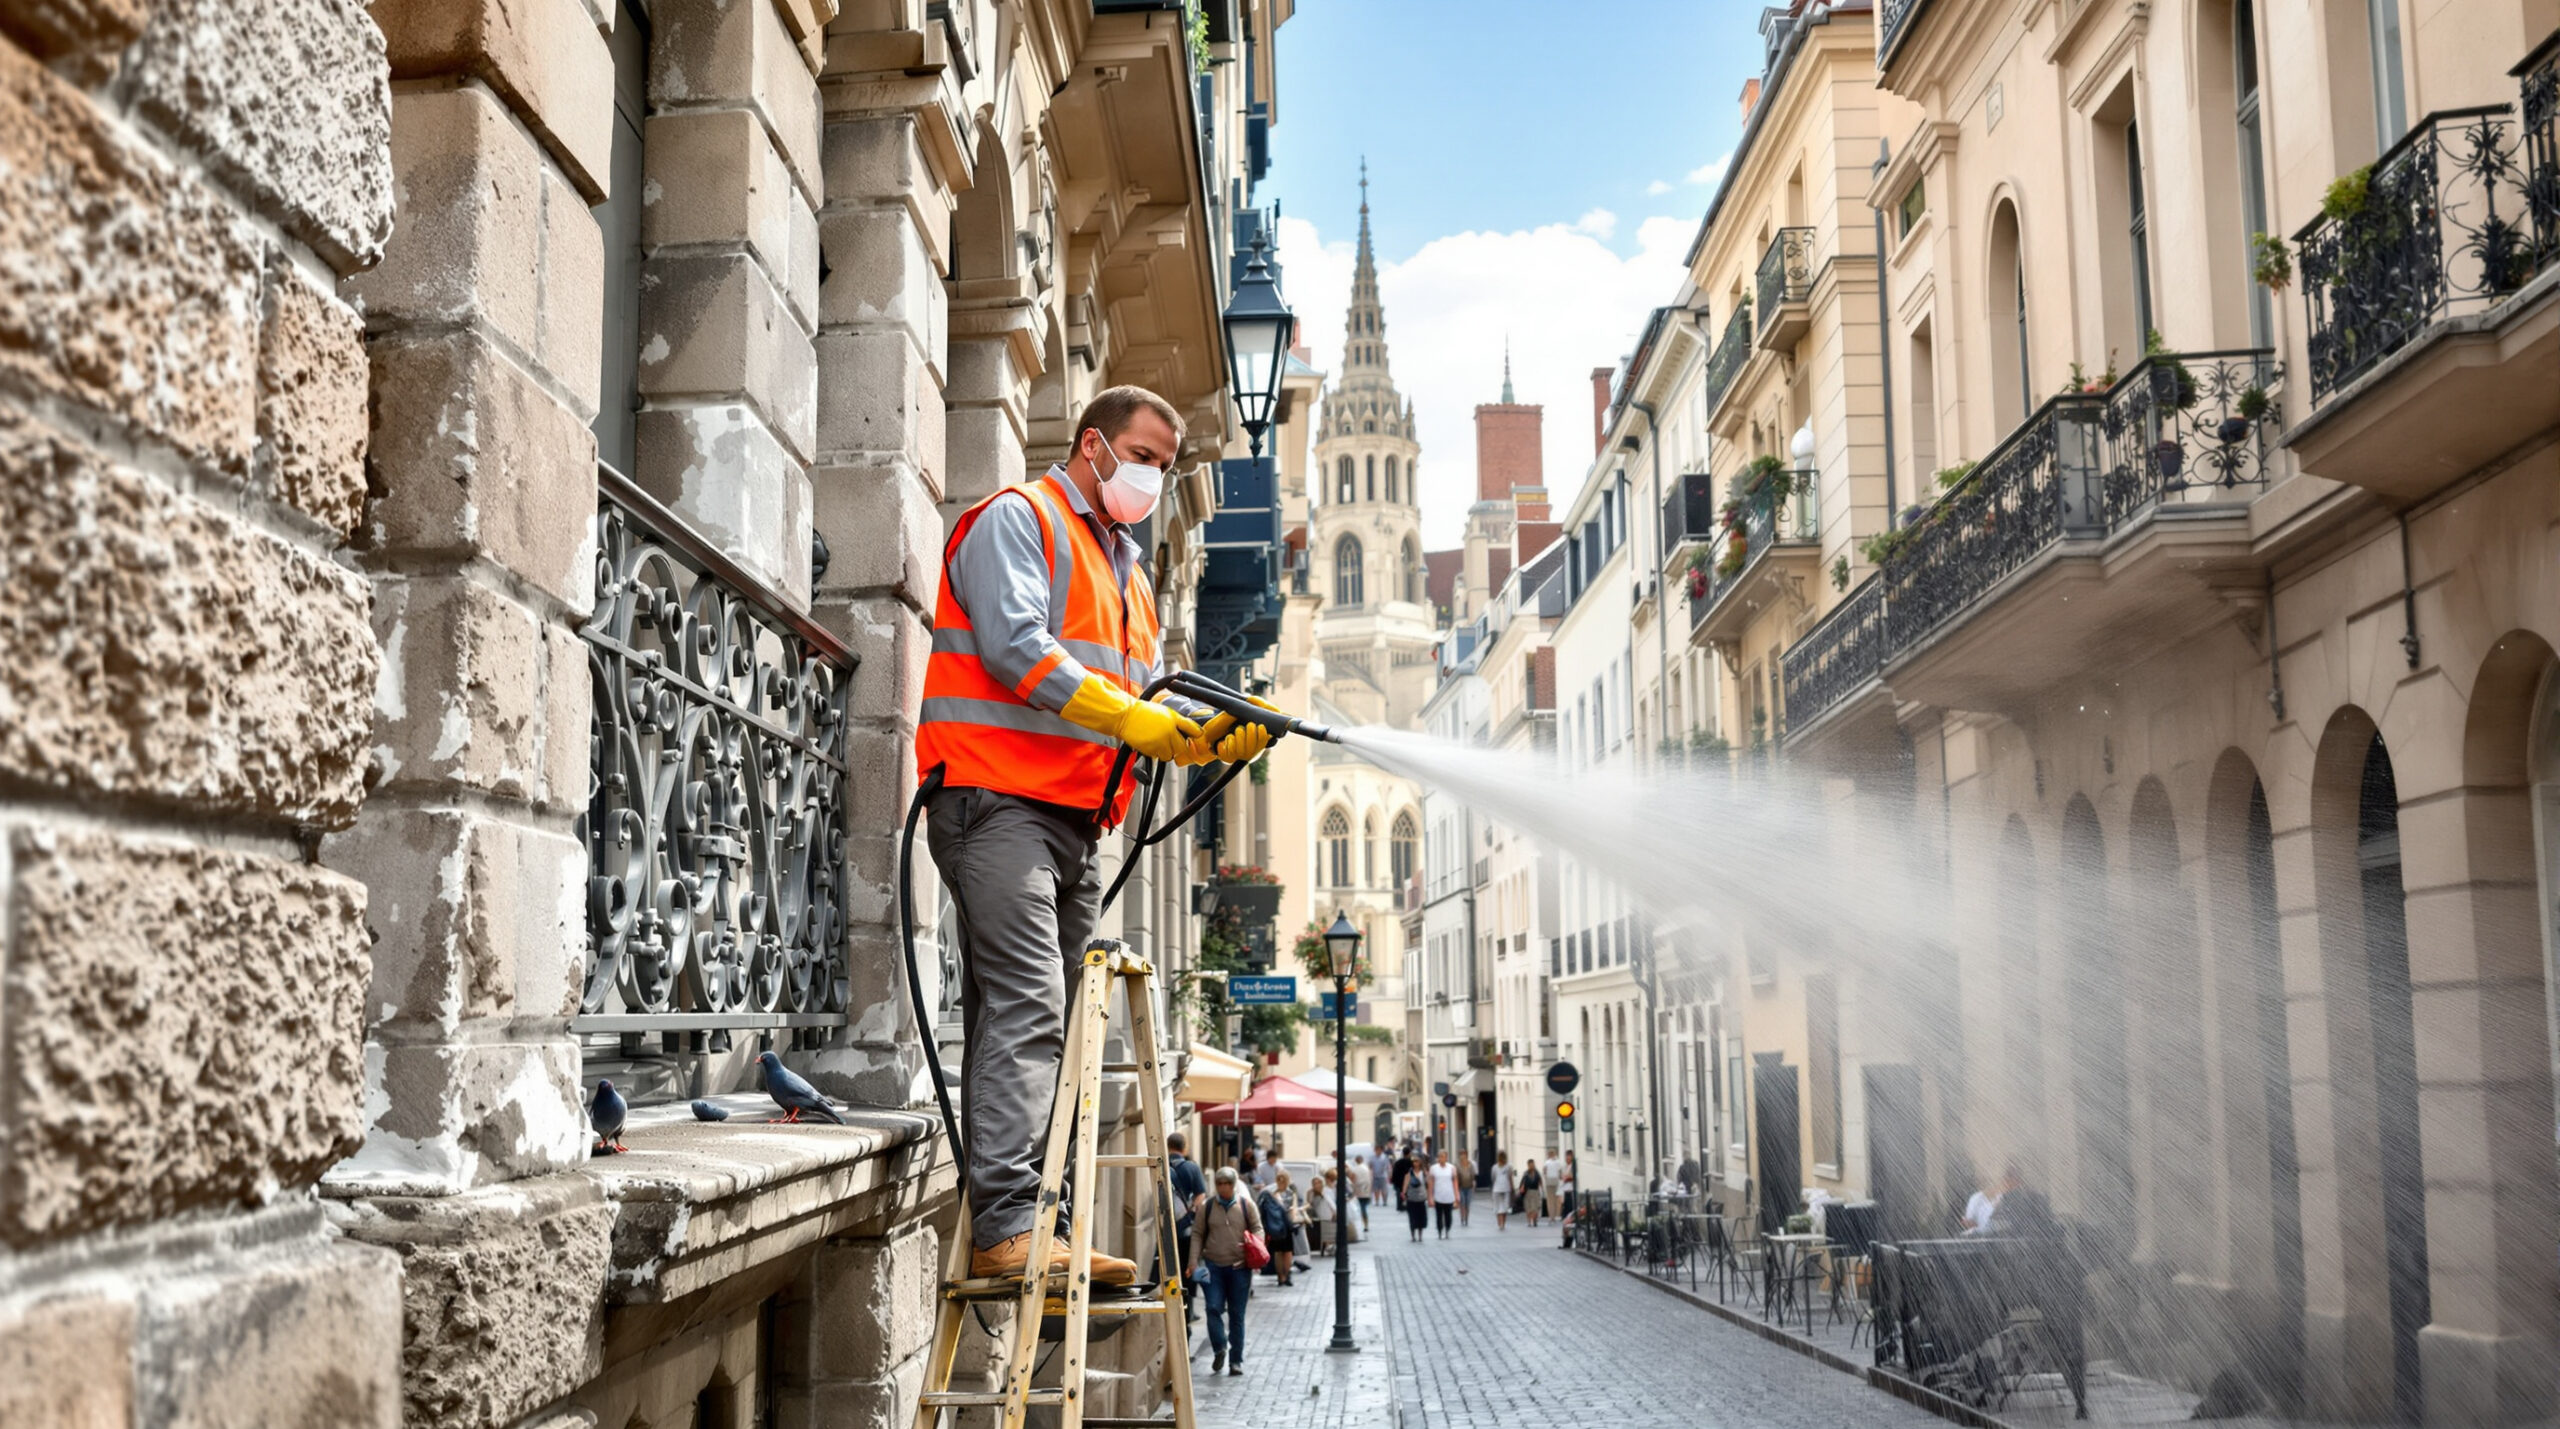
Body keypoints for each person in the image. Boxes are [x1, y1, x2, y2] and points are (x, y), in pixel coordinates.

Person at [923, 386, 1272, 1286]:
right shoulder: (1020, 519)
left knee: (1065, 1025)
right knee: (1030, 1005)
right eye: (1146, 457)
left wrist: (1221, 721)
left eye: (1168, 464)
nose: (1156, 477)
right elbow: (1019, 650)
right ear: (1093, 446)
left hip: (1077, 824)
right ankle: (1006, 1225)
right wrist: (1140, 721)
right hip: (994, 804)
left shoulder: (1131, 575)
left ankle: (1050, 1221)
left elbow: (1156, 694)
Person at [1190, 1166, 1261, 1375]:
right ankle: (1220, 1347)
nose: (1223, 1188)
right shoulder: (1208, 1207)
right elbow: (1197, 1234)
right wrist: (1193, 1262)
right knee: (1212, 1308)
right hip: (1213, 1267)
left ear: (1234, 1184)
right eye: (1219, 1184)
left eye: (1227, 1184)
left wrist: (1253, 1245)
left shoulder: (1247, 1206)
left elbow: (1258, 1227)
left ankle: (1235, 1360)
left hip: (1240, 1268)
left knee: (1237, 1315)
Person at [1167, 1132, 1208, 1326]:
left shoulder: (1160, 1165)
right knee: (1189, 1269)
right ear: (1185, 1148)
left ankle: (1171, 1306)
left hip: (1165, 1228)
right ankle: (1188, 1309)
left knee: (1168, 1269)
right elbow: (1200, 1195)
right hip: (1186, 1229)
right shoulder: (1191, 1167)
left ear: (1168, 1147)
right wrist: (1190, 1210)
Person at [1428, 1150, 1459, 1239]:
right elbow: (1431, 1183)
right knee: (1439, 1216)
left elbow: (1455, 1182)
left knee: (1448, 1215)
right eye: (1440, 1156)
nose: (1441, 1158)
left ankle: (1447, 1230)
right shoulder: (1433, 1168)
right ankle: (1440, 1231)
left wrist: (1457, 1195)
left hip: (1449, 1195)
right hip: (1438, 1196)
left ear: (1446, 1157)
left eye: (1443, 1156)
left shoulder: (1451, 1168)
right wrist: (1430, 1196)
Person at [1401, 1151, 1430, 1243]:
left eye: (1417, 1161)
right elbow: (1405, 1184)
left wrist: (1429, 1196)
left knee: (1421, 1218)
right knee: (1412, 1218)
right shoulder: (1409, 1174)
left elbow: (1428, 1184)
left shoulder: (1424, 1173)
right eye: (1414, 1161)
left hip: (1421, 1198)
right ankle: (1413, 1235)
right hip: (1411, 1199)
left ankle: (1420, 1235)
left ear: (1420, 1162)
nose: (1415, 1163)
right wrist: (1404, 1193)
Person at [1489, 1151, 1514, 1232]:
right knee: (1505, 1207)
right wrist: (1512, 1187)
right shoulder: (1509, 1167)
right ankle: (1503, 1223)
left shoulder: (1494, 1167)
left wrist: (1493, 1186)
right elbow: (1510, 1178)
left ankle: (1499, 1223)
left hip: (1497, 1189)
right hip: (1506, 1188)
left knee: (1498, 1207)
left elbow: (1493, 1178)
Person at [1348, 1153, 1373, 1231]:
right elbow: (1370, 1179)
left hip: (1358, 1192)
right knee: (1363, 1208)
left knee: (1359, 1208)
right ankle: (1366, 1225)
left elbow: (1352, 1180)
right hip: (1366, 1191)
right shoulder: (1367, 1168)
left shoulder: (1355, 1169)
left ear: (1356, 1161)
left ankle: (1362, 1225)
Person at [1519, 1155, 1542, 1228]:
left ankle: (1534, 1220)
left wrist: (1541, 1190)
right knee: (1528, 1207)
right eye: (1530, 1164)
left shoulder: (1537, 1173)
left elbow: (1540, 1182)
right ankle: (1529, 1221)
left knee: (1535, 1207)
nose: (1531, 1166)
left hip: (1535, 1191)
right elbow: (1522, 1182)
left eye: (1532, 1164)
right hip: (1527, 1192)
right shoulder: (1526, 1173)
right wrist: (1521, 1189)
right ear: (1528, 1165)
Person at [1541, 1150, 1564, 1223]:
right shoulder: (1558, 1162)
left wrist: (1545, 1177)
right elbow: (1560, 1173)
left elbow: (1544, 1171)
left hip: (1549, 1181)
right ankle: (1555, 1215)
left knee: (1550, 1200)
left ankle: (1551, 1216)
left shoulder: (1547, 1162)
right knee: (1556, 1199)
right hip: (1556, 1180)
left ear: (1549, 1155)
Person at [1454, 1150, 1475, 1228]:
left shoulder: (1471, 1164)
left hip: (1469, 1187)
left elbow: (1473, 1175)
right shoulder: (1457, 1165)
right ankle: (1462, 1218)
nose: (1462, 1156)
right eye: (1461, 1154)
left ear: (1466, 1155)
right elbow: (1455, 1175)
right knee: (1462, 1203)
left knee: (1467, 1204)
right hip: (1461, 1187)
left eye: (1464, 1154)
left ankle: (1466, 1219)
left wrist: (1473, 1184)